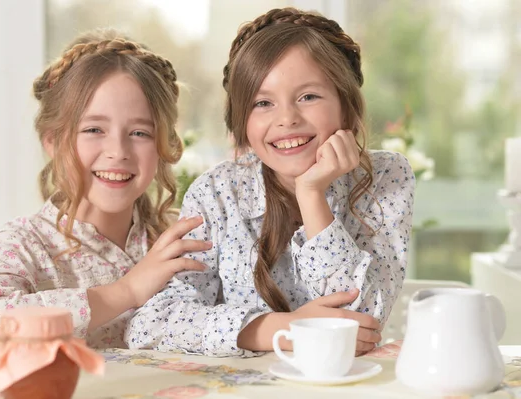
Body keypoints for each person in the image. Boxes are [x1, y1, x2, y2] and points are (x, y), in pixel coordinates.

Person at [125, 7, 415, 357]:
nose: (287, 119)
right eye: (263, 103)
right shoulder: (217, 193)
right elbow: (152, 323)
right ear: (241, 121)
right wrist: (281, 329)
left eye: (308, 96)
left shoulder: (385, 178)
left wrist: (312, 196)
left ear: (345, 104)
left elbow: (361, 322)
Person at [0, 29, 209, 353]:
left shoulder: (181, 240)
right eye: (94, 130)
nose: (118, 151)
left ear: (163, 145)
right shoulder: (22, 246)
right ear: (53, 142)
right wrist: (126, 291)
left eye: (139, 132)